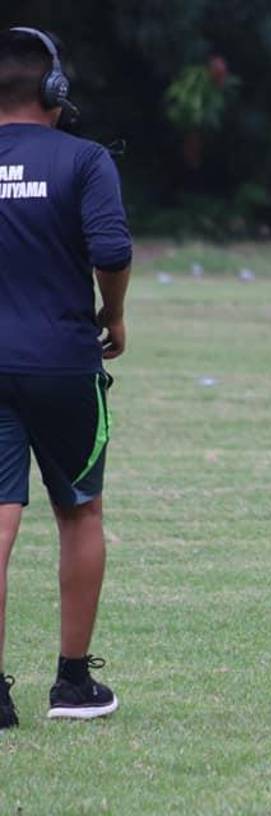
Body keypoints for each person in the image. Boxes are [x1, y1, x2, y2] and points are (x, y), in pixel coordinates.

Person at [0, 27, 131, 729]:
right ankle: (72, 685)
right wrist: (113, 316)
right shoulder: (85, 160)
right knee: (79, 510)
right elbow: (110, 248)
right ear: (55, 92)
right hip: (62, 363)